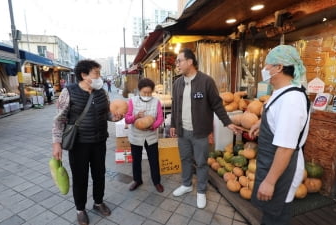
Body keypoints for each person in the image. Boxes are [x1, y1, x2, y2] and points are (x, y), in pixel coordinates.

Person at [170, 48, 243, 209]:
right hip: (183, 132)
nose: (177, 64)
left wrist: (227, 122)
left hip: (200, 132)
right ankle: (187, 184)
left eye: (179, 61)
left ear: (190, 62)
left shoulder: (206, 81)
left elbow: (217, 104)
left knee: (202, 162)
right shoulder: (177, 83)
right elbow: (175, 105)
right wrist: (173, 125)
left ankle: (201, 191)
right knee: (185, 159)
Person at [51, 59, 122, 225]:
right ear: (84, 75)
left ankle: (98, 202)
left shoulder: (102, 92)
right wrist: (56, 143)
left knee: (99, 174)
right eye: (96, 73)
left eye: (99, 73)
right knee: (80, 177)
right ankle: (80, 209)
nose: (100, 76)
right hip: (78, 143)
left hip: (99, 141)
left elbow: (106, 114)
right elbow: (59, 119)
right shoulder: (69, 91)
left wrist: (115, 117)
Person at [248, 45, 311, 225]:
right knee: (269, 214)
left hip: (282, 169)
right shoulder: (282, 93)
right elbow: (278, 117)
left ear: (279, 67)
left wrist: (269, 182)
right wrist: (263, 123)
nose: (265, 69)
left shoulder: (292, 99)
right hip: (270, 162)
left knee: (276, 217)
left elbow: (286, 147)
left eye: (268, 65)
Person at [125, 78, 164, 193]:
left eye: (149, 92)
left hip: (151, 136)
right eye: (144, 92)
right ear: (139, 90)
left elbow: (160, 118)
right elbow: (127, 119)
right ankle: (137, 180)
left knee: (154, 160)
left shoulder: (156, 102)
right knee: (136, 160)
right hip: (136, 136)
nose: (147, 95)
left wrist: (153, 126)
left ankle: (156, 182)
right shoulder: (132, 101)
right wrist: (136, 116)